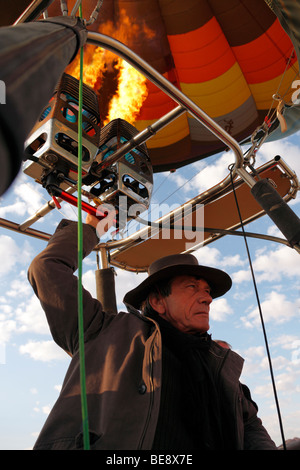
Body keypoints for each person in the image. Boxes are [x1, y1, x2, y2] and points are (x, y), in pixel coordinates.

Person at [27, 214, 277, 450]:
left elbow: (250, 424)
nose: (207, 299)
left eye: (207, 291)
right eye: (192, 287)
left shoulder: (217, 362)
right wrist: (93, 226)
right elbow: (47, 269)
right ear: (158, 302)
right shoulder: (104, 331)